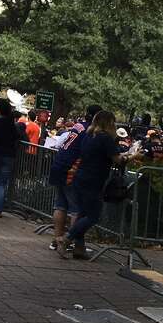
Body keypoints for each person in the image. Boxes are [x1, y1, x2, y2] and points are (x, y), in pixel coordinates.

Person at [60, 110, 129, 259]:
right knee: (93, 216)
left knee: (82, 213)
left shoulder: (88, 135)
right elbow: (118, 159)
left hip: (80, 176)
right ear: (110, 123)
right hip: (94, 180)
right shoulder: (105, 138)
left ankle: (79, 248)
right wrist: (133, 156)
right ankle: (67, 238)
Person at [45, 106, 100, 249]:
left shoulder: (78, 126)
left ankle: (57, 240)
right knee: (77, 209)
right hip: (71, 169)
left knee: (61, 205)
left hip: (59, 164)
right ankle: (72, 242)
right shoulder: (90, 131)